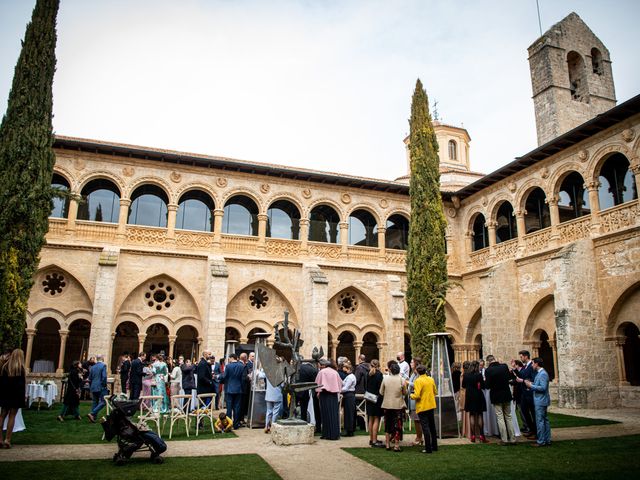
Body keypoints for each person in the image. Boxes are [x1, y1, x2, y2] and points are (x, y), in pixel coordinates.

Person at [484, 355, 516, 445]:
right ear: (494, 359)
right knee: (508, 417)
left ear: (488, 362)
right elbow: (509, 377)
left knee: (500, 417)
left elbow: (487, 385)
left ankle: (504, 439)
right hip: (506, 394)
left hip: (496, 396)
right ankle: (512, 438)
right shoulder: (504, 366)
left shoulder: (488, 370)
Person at [0, 349, 26, 448]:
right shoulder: (21, 368)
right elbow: (22, 385)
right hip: (16, 395)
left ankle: (0, 439)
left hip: (5, 394)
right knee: (12, 416)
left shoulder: (5, 367)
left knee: (2, 415)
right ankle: (7, 439)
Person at [411, 365, 438, 454]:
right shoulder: (431, 379)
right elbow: (435, 392)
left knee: (425, 427)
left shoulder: (418, 381)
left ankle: (428, 448)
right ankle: (434, 446)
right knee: (432, 426)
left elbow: (417, 395)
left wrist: (411, 395)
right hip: (431, 405)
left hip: (422, 406)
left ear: (418, 372)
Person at [380, 360, 406, 452]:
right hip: (397, 405)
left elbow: (381, 392)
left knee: (387, 424)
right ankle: (396, 445)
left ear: (390, 370)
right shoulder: (401, 379)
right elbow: (404, 392)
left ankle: (387, 444)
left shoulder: (385, 378)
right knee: (397, 425)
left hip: (387, 404)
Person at [526, 357, 551, 447]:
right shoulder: (540, 373)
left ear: (536, 364)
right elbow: (539, 385)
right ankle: (547, 439)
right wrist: (531, 384)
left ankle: (541, 441)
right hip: (541, 400)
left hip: (540, 400)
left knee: (540, 421)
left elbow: (543, 388)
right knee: (544, 420)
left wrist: (531, 386)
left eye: (532, 363)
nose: (532, 365)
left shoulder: (543, 374)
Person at [315, 359, 342, 440]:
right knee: (334, 414)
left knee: (325, 414)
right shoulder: (335, 372)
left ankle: (326, 434)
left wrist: (318, 391)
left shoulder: (322, 372)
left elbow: (317, 383)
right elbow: (340, 384)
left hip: (324, 394)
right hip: (333, 395)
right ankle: (334, 434)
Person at [462, 360, 487, 443]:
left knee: (472, 415)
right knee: (480, 415)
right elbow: (483, 386)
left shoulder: (466, 375)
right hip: (478, 395)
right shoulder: (479, 375)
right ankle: (481, 435)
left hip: (469, 396)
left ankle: (473, 436)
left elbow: (463, 385)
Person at [220, 353, 246, 429]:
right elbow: (243, 378)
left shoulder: (228, 366)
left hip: (229, 389)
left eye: (229, 358)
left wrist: (218, 377)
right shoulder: (242, 366)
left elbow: (224, 376)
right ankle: (236, 424)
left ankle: (228, 424)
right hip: (238, 389)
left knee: (229, 408)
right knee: (237, 408)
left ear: (231, 358)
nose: (228, 359)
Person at [516, 350, 537, 439]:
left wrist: (523, 380)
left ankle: (536, 432)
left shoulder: (531, 366)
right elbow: (521, 375)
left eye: (521, 357)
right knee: (524, 411)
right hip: (524, 393)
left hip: (529, 392)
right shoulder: (525, 366)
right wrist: (514, 370)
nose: (521, 358)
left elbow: (529, 377)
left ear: (525, 356)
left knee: (533, 413)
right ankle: (531, 429)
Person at [365, 359, 384, 447]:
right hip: (377, 398)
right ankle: (375, 440)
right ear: (378, 365)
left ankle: (371, 439)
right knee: (376, 418)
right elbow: (381, 388)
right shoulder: (379, 375)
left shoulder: (368, 374)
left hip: (369, 398)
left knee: (370, 418)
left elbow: (365, 385)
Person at [407, 356, 424, 446]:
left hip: (416, 399)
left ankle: (419, 438)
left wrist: (407, 382)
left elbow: (417, 385)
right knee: (416, 420)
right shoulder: (413, 373)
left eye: (411, 362)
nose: (410, 364)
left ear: (416, 364)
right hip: (412, 398)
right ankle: (418, 437)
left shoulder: (418, 374)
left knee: (417, 420)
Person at [87, 354, 108, 423]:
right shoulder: (103, 365)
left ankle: (93, 417)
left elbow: (90, 378)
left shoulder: (93, 367)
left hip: (93, 386)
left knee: (95, 401)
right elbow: (104, 377)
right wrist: (104, 385)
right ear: (102, 358)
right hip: (101, 386)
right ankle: (92, 413)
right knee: (104, 401)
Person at [341, 363, 357, 437]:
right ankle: (350, 429)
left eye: (344, 367)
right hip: (349, 395)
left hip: (349, 395)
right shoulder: (350, 376)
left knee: (349, 413)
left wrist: (338, 390)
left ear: (348, 369)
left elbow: (346, 388)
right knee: (349, 413)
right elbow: (344, 383)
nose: (343, 369)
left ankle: (349, 430)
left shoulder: (350, 377)